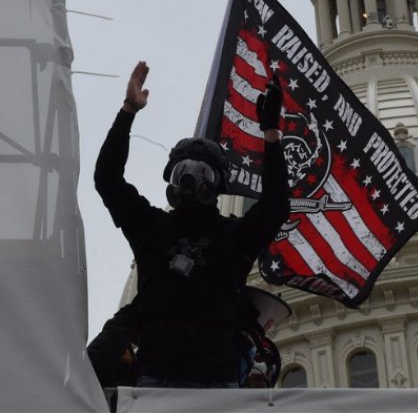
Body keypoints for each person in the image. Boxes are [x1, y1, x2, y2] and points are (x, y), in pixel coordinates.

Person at [94, 61, 290, 388]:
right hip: (156, 386)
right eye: (182, 172)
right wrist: (128, 110)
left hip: (216, 390)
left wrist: (270, 134)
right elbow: (107, 180)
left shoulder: (231, 238)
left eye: (202, 174)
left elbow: (274, 206)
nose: (190, 181)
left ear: (216, 186)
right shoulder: (153, 229)